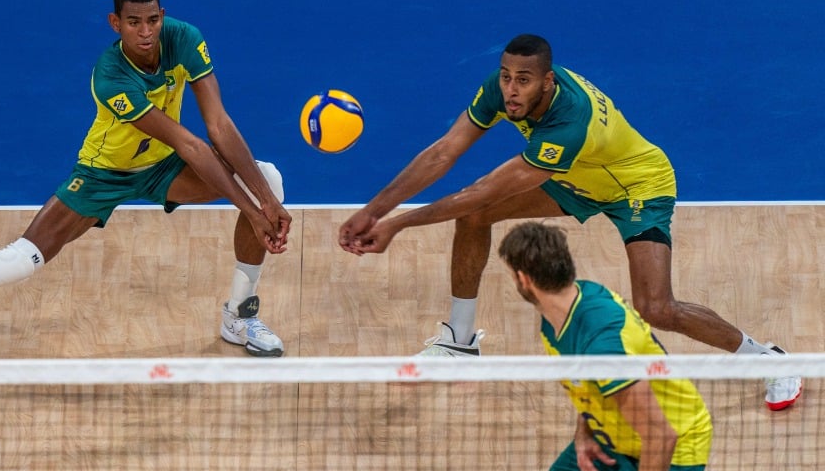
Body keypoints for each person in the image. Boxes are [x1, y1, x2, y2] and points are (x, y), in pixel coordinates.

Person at [338, 33, 801, 410]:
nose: (510, 90)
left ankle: (768, 358)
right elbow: (444, 152)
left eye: (523, 80)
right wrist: (376, 209)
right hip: (577, 175)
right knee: (476, 217)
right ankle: (459, 343)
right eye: (505, 77)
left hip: (635, 186)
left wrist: (397, 225)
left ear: (547, 81)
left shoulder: (568, 123)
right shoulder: (501, 93)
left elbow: (482, 189)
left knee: (657, 308)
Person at [0, 0, 291, 360]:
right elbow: (190, 142)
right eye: (134, 22)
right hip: (103, 174)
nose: (146, 31)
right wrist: (253, 212)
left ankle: (239, 316)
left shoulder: (184, 37)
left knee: (267, 179)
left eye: (152, 20)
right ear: (116, 24)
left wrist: (265, 203)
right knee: (19, 262)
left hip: (160, 167)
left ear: (162, 16)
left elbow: (218, 125)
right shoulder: (111, 75)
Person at [500, 221, 712, 471]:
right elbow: (588, 387)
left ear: (523, 279)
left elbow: (661, 435)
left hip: (672, 445)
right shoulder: (560, 313)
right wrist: (584, 436)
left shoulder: (603, 340)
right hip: (614, 436)